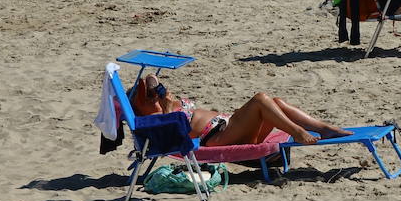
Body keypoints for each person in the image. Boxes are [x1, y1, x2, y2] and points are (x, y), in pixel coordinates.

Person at [130, 73, 349, 148]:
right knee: (261, 100)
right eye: (148, 97)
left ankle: (324, 128)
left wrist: (160, 93)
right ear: (141, 107)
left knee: (276, 102)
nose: (152, 97)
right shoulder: (156, 119)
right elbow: (176, 138)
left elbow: (152, 81)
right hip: (218, 137)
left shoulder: (162, 107)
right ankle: (298, 132)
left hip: (229, 128)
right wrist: (168, 108)